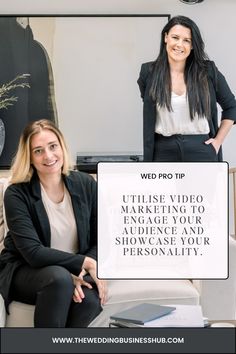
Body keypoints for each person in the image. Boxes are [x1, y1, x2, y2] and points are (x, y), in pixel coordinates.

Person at [0, 119, 107, 327]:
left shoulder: (85, 184)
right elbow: (33, 252)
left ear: (62, 146)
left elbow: (101, 238)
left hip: (73, 271)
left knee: (89, 301)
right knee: (59, 279)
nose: (48, 156)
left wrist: (81, 270)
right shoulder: (16, 193)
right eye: (38, 151)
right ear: (29, 157)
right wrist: (83, 263)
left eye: (52, 146)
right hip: (26, 270)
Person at [137, 15, 236, 162]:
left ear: (192, 45)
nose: (179, 44)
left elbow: (232, 107)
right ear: (166, 37)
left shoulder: (208, 71)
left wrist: (217, 142)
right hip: (162, 151)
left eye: (186, 40)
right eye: (175, 37)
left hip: (201, 150)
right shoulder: (148, 72)